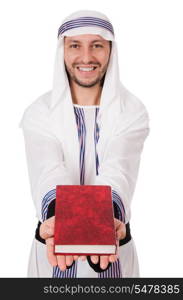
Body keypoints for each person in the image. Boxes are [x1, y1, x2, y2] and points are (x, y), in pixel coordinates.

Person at [19, 10, 150, 278]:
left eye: (97, 45)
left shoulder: (132, 111)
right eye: (75, 45)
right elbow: (48, 170)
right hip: (51, 250)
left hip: (115, 247)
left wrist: (101, 226)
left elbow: (118, 170)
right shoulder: (39, 112)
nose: (87, 57)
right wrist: (60, 221)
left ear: (111, 51)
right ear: (62, 51)